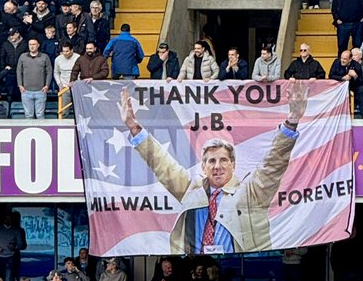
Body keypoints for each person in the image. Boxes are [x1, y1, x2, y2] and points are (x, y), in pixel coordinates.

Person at [117, 82, 308, 254]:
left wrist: (292, 121)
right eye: (211, 161)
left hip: (236, 268)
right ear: (203, 166)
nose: (217, 166)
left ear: (233, 164)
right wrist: (134, 127)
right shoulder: (190, 188)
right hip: (195, 268)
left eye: (223, 160)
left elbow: (273, 164)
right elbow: (161, 163)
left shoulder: (250, 192)